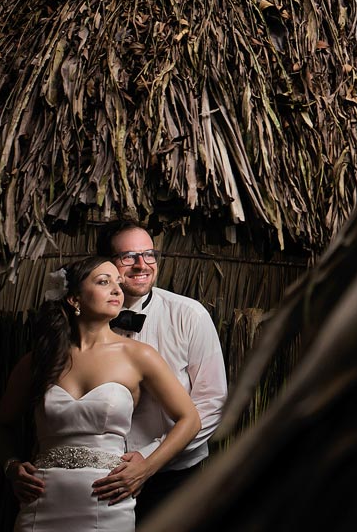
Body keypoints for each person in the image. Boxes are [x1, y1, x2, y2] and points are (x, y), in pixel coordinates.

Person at [0, 256, 200, 532]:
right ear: (74, 299)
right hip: (41, 501)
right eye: (104, 282)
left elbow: (190, 420)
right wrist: (12, 467)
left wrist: (146, 468)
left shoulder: (138, 355)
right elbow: (0, 426)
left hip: (106, 501)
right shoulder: (38, 360)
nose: (117, 290)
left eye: (118, 282)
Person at [91, 219, 228, 521]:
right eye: (129, 257)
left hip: (174, 478)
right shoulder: (84, 320)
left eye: (149, 254)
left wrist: (149, 461)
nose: (142, 265)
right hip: (98, 478)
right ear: (106, 263)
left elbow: (211, 402)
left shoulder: (189, 315)